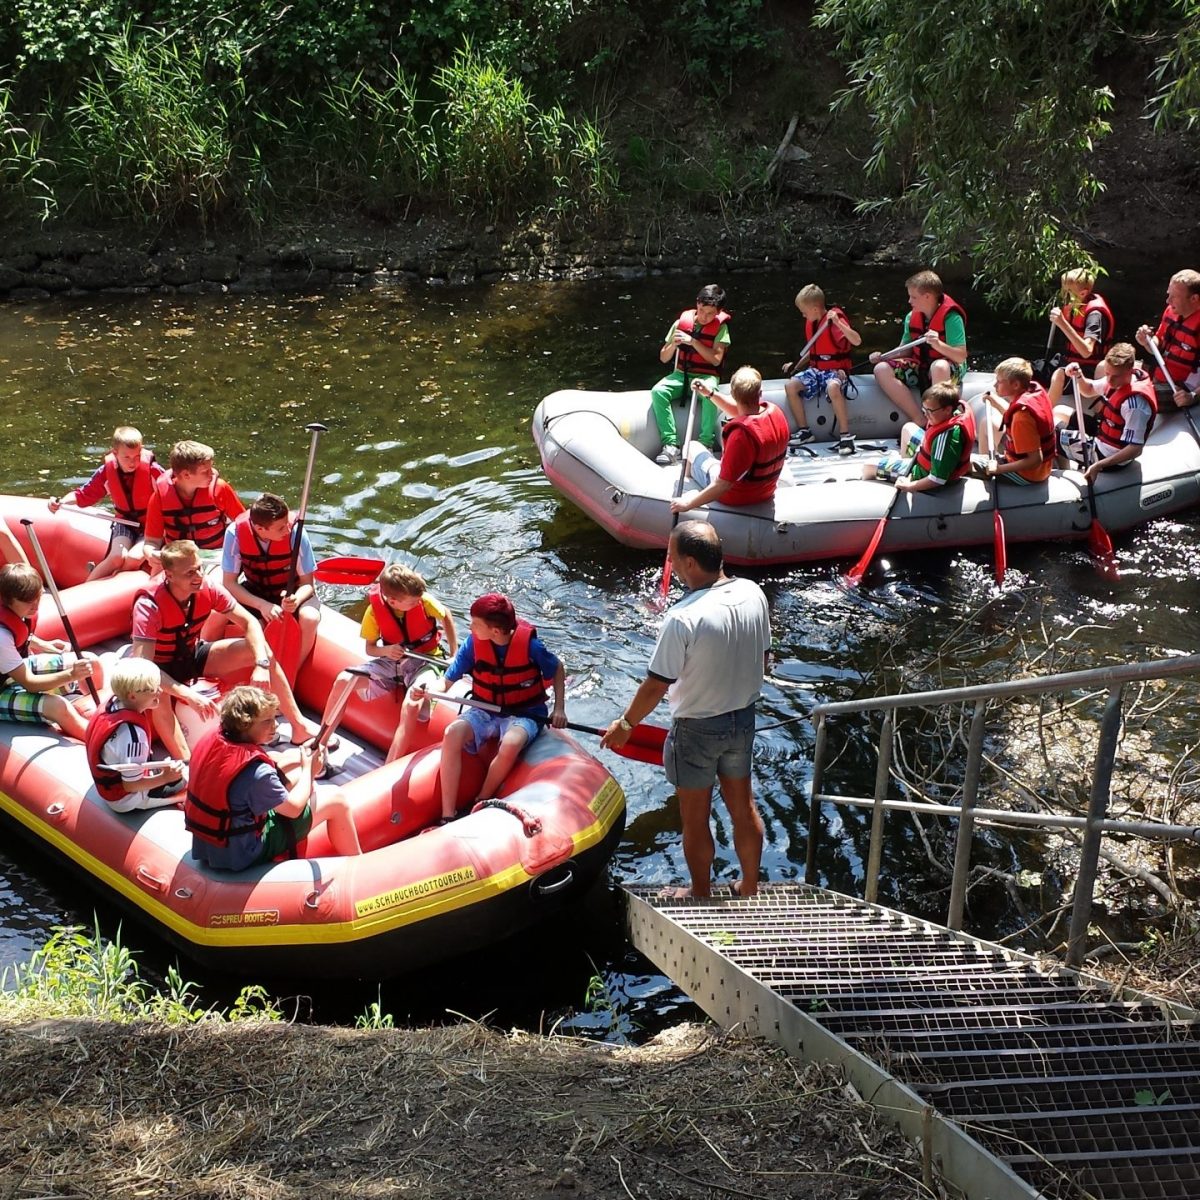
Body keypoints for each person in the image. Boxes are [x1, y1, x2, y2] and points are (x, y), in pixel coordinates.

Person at [601, 523, 769, 900]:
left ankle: (700, 892)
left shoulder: (682, 617)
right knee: (744, 809)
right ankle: (749, 886)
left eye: (672, 558)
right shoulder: (753, 592)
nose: (671, 564)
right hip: (743, 720)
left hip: (696, 730)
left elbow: (656, 685)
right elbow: (764, 658)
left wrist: (626, 724)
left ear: (690, 562)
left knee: (695, 819)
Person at [131, 539, 321, 759]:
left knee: (261, 651)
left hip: (191, 655)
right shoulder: (148, 606)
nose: (198, 576)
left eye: (199, 568)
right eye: (190, 573)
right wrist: (188, 695)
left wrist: (261, 664)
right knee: (158, 694)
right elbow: (143, 668)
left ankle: (299, 726)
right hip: (159, 669)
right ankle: (187, 763)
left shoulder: (208, 588)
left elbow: (249, 622)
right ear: (169, 575)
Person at [421, 593, 565, 823]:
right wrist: (429, 689)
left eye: (475, 624)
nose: (470, 627)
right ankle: (447, 814)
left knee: (511, 742)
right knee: (452, 733)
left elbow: (557, 668)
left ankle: (481, 799)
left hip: (525, 712)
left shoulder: (532, 647)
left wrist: (559, 709)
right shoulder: (473, 644)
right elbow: (446, 682)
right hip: (484, 708)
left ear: (495, 631)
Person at [185, 685, 361, 871]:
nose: (275, 725)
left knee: (295, 776)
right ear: (245, 725)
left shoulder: (215, 739)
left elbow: (265, 768)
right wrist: (310, 770)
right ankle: (359, 867)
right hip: (241, 854)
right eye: (267, 721)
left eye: (274, 718)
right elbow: (293, 809)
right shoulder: (257, 773)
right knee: (336, 799)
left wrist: (302, 759)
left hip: (207, 847)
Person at [317, 563, 458, 764]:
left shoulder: (423, 600)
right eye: (412, 602)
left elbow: (446, 616)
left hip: (426, 661)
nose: (417, 602)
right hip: (392, 662)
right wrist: (386, 651)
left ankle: (389, 764)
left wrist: (454, 654)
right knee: (344, 679)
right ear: (393, 601)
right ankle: (321, 744)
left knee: (412, 701)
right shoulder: (373, 612)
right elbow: (370, 649)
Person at [0, 562, 102, 741]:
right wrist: (71, 675)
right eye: (27, 601)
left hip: (13, 672)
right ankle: (101, 741)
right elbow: (30, 683)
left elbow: (20, 635)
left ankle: (97, 712)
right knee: (57, 706)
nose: (35, 606)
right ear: (8, 600)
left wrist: (45, 645)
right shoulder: (1, 636)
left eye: (37, 598)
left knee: (92, 662)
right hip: (3, 690)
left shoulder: (19, 612)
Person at [49, 426, 165, 579]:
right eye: (126, 457)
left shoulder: (153, 471)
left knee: (134, 558)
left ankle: (115, 581)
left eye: (137, 456)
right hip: (125, 523)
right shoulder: (106, 472)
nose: (132, 462)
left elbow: (171, 492)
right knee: (117, 557)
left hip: (151, 525)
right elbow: (84, 495)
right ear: (115, 453)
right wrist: (61, 501)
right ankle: (88, 587)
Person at [222, 493, 321, 669]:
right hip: (256, 591)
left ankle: (293, 671)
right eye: (281, 528)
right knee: (219, 613)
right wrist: (262, 605)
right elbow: (229, 583)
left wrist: (295, 600)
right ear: (260, 528)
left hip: (293, 592)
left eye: (286, 524)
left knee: (310, 618)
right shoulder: (235, 533)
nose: (287, 530)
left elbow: (307, 584)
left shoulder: (296, 533)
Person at [672, 368, 791, 513]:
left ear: (733, 395)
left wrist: (687, 504)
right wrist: (709, 393)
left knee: (691, 447)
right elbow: (741, 411)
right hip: (766, 491)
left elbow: (723, 484)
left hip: (735, 497)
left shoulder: (740, 436)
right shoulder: (776, 413)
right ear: (760, 393)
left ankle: (690, 486)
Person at [85, 658, 185, 811]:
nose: (159, 691)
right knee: (186, 782)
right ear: (132, 696)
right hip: (127, 799)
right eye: (153, 688)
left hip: (115, 781)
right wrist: (165, 778)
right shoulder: (133, 736)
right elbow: (130, 785)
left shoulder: (112, 704)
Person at [870, 270, 968, 427]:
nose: (909, 301)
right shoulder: (911, 317)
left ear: (927, 297)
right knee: (881, 369)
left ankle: (938, 423)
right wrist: (884, 357)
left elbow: (960, 356)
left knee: (939, 366)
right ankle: (919, 418)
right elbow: (905, 350)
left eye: (913, 297)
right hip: (921, 364)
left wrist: (938, 344)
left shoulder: (951, 318)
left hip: (947, 367)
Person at [650, 284, 731, 466]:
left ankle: (706, 443)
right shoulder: (681, 324)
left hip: (706, 376)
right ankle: (671, 444)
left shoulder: (721, 329)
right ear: (697, 304)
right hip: (681, 375)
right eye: (701, 310)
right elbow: (664, 358)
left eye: (710, 314)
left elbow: (716, 360)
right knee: (658, 391)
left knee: (710, 392)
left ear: (718, 312)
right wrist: (674, 344)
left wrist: (693, 342)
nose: (704, 316)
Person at [1053, 343, 1157, 482]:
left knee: (1051, 432)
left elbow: (1135, 449)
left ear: (1130, 369)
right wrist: (1078, 376)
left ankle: (1063, 470)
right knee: (1059, 410)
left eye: (1115, 376)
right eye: (1107, 373)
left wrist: (1100, 465)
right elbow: (1088, 389)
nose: (1109, 380)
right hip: (1102, 433)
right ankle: (1066, 466)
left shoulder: (1135, 405)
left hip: (1106, 456)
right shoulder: (1116, 377)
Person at [782, 284, 862, 455]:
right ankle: (805, 431)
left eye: (804, 312)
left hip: (836, 370)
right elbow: (814, 352)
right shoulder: (813, 323)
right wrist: (796, 367)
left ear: (815, 309)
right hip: (817, 370)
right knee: (791, 386)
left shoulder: (834, 321)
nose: (803, 315)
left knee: (833, 387)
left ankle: (845, 436)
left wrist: (838, 323)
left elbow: (857, 341)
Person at [861, 381, 976, 493]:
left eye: (930, 411)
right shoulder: (953, 415)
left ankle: (907, 474)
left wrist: (909, 486)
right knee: (908, 427)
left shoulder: (945, 438)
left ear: (947, 409)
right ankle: (904, 465)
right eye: (924, 410)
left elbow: (937, 479)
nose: (925, 414)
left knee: (868, 466)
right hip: (928, 457)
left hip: (924, 475)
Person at [142, 440, 245, 563]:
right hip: (179, 559)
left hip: (216, 556)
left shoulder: (220, 488)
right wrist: (152, 554)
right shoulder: (160, 497)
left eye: (211, 468)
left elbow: (244, 526)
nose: (212, 473)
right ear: (186, 475)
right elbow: (151, 542)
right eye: (205, 471)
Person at [979, 358, 1056, 485]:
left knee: (967, 465)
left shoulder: (1022, 417)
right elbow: (1012, 415)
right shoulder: (1032, 392)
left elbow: (1035, 460)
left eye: (999, 382)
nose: (995, 385)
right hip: (1041, 469)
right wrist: (994, 401)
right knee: (986, 425)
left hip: (1028, 474)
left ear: (1015, 385)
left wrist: (999, 469)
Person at [1044, 269, 1114, 405]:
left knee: (1059, 374)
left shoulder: (1094, 315)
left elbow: (1086, 351)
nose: (1063, 295)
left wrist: (1062, 323)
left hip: (1086, 368)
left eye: (1068, 292)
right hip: (1068, 360)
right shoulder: (1075, 305)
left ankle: (1043, 414)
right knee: (1030, 370)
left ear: (1082, 293)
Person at [1134, 268, 1200, 409]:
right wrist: (1147, 342)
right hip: (1158, 374)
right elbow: (1158, 346)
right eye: (1169, 294)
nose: (1168, 300)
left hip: (1181, 388)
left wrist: (1193, 396)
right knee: (1106, 369)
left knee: (1134, 397)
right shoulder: (1172, 310)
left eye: (1174, 297)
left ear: (1194, 299)